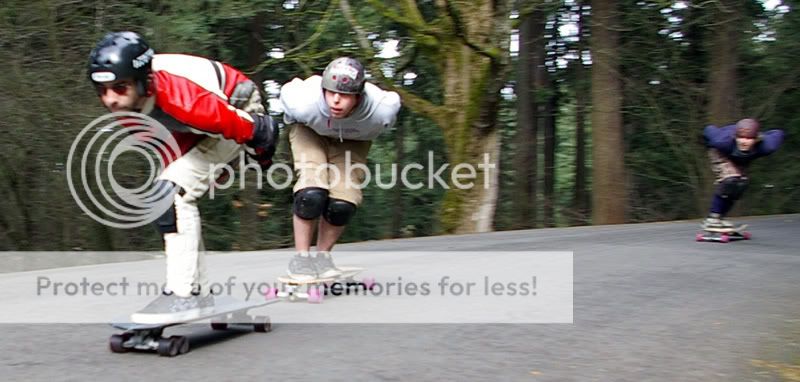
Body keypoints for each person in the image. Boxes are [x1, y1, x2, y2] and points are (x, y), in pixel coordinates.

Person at [87, 31, 278, 323]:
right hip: (197, 127)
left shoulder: (180, 97)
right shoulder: (127, 107)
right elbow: (166, 144)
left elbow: (257, 129)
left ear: (141, 81)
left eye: (120, 87)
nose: (111, 99)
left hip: (238, 105)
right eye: (103, 90)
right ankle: (195, 292)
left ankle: (183, 295)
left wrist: (257, 152)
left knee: (170, 195)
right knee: (171, 196)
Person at [279, 57, 401, 280]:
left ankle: (323, 257)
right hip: (311, 131)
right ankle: (301, 259)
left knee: (343, 203)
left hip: (353, 140)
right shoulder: (303, 103)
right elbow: (287, 91)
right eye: (331, 92)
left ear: (358, 96)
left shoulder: (381, 111)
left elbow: (394, 102)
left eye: (344, 95)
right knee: (311, 194)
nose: (336, 101)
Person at [702, 118, 784, 229]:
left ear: (756, 139)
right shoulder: (721, 141)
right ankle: (712, 218)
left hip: (742, 159)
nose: (744, 142)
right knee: (730, 181)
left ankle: (720, 217)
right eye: (740, 138)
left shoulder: (766, 145)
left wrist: (764, 135)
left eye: (748, 139)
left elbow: (778, 133)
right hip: (720, 152)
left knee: (740, 185)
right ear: (735, 136)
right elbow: (708, 129)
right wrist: (707, 142)